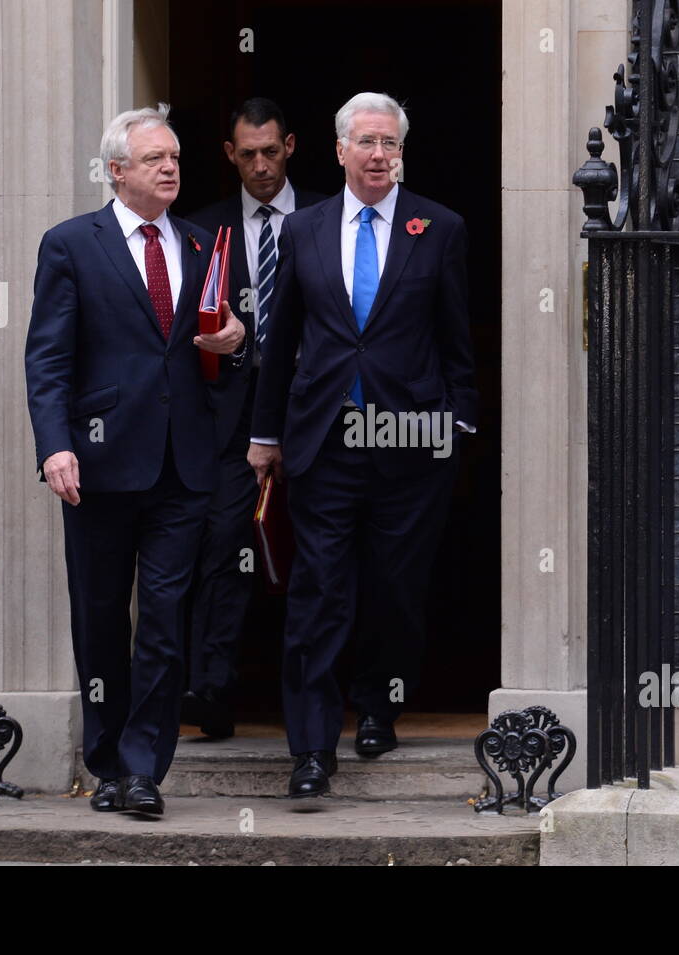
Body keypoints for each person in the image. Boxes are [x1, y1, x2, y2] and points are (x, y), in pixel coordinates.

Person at [248, 92, 478, 797]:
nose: (379, 154)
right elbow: (280, 338)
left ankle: (379, 705)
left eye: (390, 143)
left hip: (411, 445)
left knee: (395, 589)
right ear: (340, 149)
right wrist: (265, 433)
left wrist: (458, 422)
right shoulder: (305, 231)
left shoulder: (438, 227)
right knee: (318, 594)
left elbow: (455, 340)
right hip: (324, 443)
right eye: (367, 142)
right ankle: (312, 750)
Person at [25, 104, 246, 815]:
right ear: (116, 170)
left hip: (183, 466)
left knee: (163, 616)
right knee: (98, 616)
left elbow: (230, 351)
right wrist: (55, 444)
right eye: (155, 158)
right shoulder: (71, 244)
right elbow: (48, 359)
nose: (171, 167)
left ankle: (144, 766)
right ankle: (107, 759)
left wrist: (237, 341)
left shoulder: (203, 243)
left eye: (175, 156)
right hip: (97, 462)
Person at [182, 98, 327, 739]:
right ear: (229, 155)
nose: (262, 166)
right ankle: (212, 693)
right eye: (248, 155)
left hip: (321, 414)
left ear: (291, 145)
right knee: (222, 552)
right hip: (228, 425)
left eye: (271, 151)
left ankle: (326, 703)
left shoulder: (328, 219)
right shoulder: (200, 230)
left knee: (324, 557)